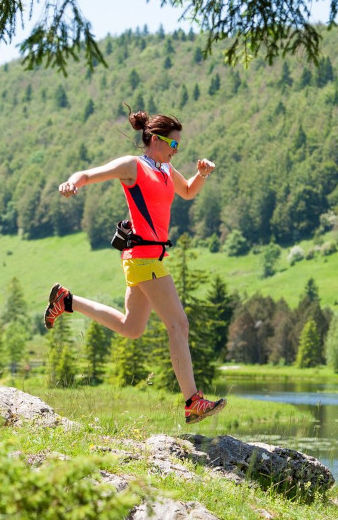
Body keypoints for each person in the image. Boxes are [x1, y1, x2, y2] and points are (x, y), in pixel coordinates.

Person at [43, 108, 226, 424]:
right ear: (155, 140)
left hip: (151, 257)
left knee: (132, 327)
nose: (176, 150)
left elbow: (188, 192)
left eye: (178, 146)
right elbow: (87, 174)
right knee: (178, 325)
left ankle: (66, 301)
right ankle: (193, 401)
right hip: (142, 257)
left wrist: (203, 174)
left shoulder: (167, 170)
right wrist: (71, 184)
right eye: (174, 144)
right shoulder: (134, 166)